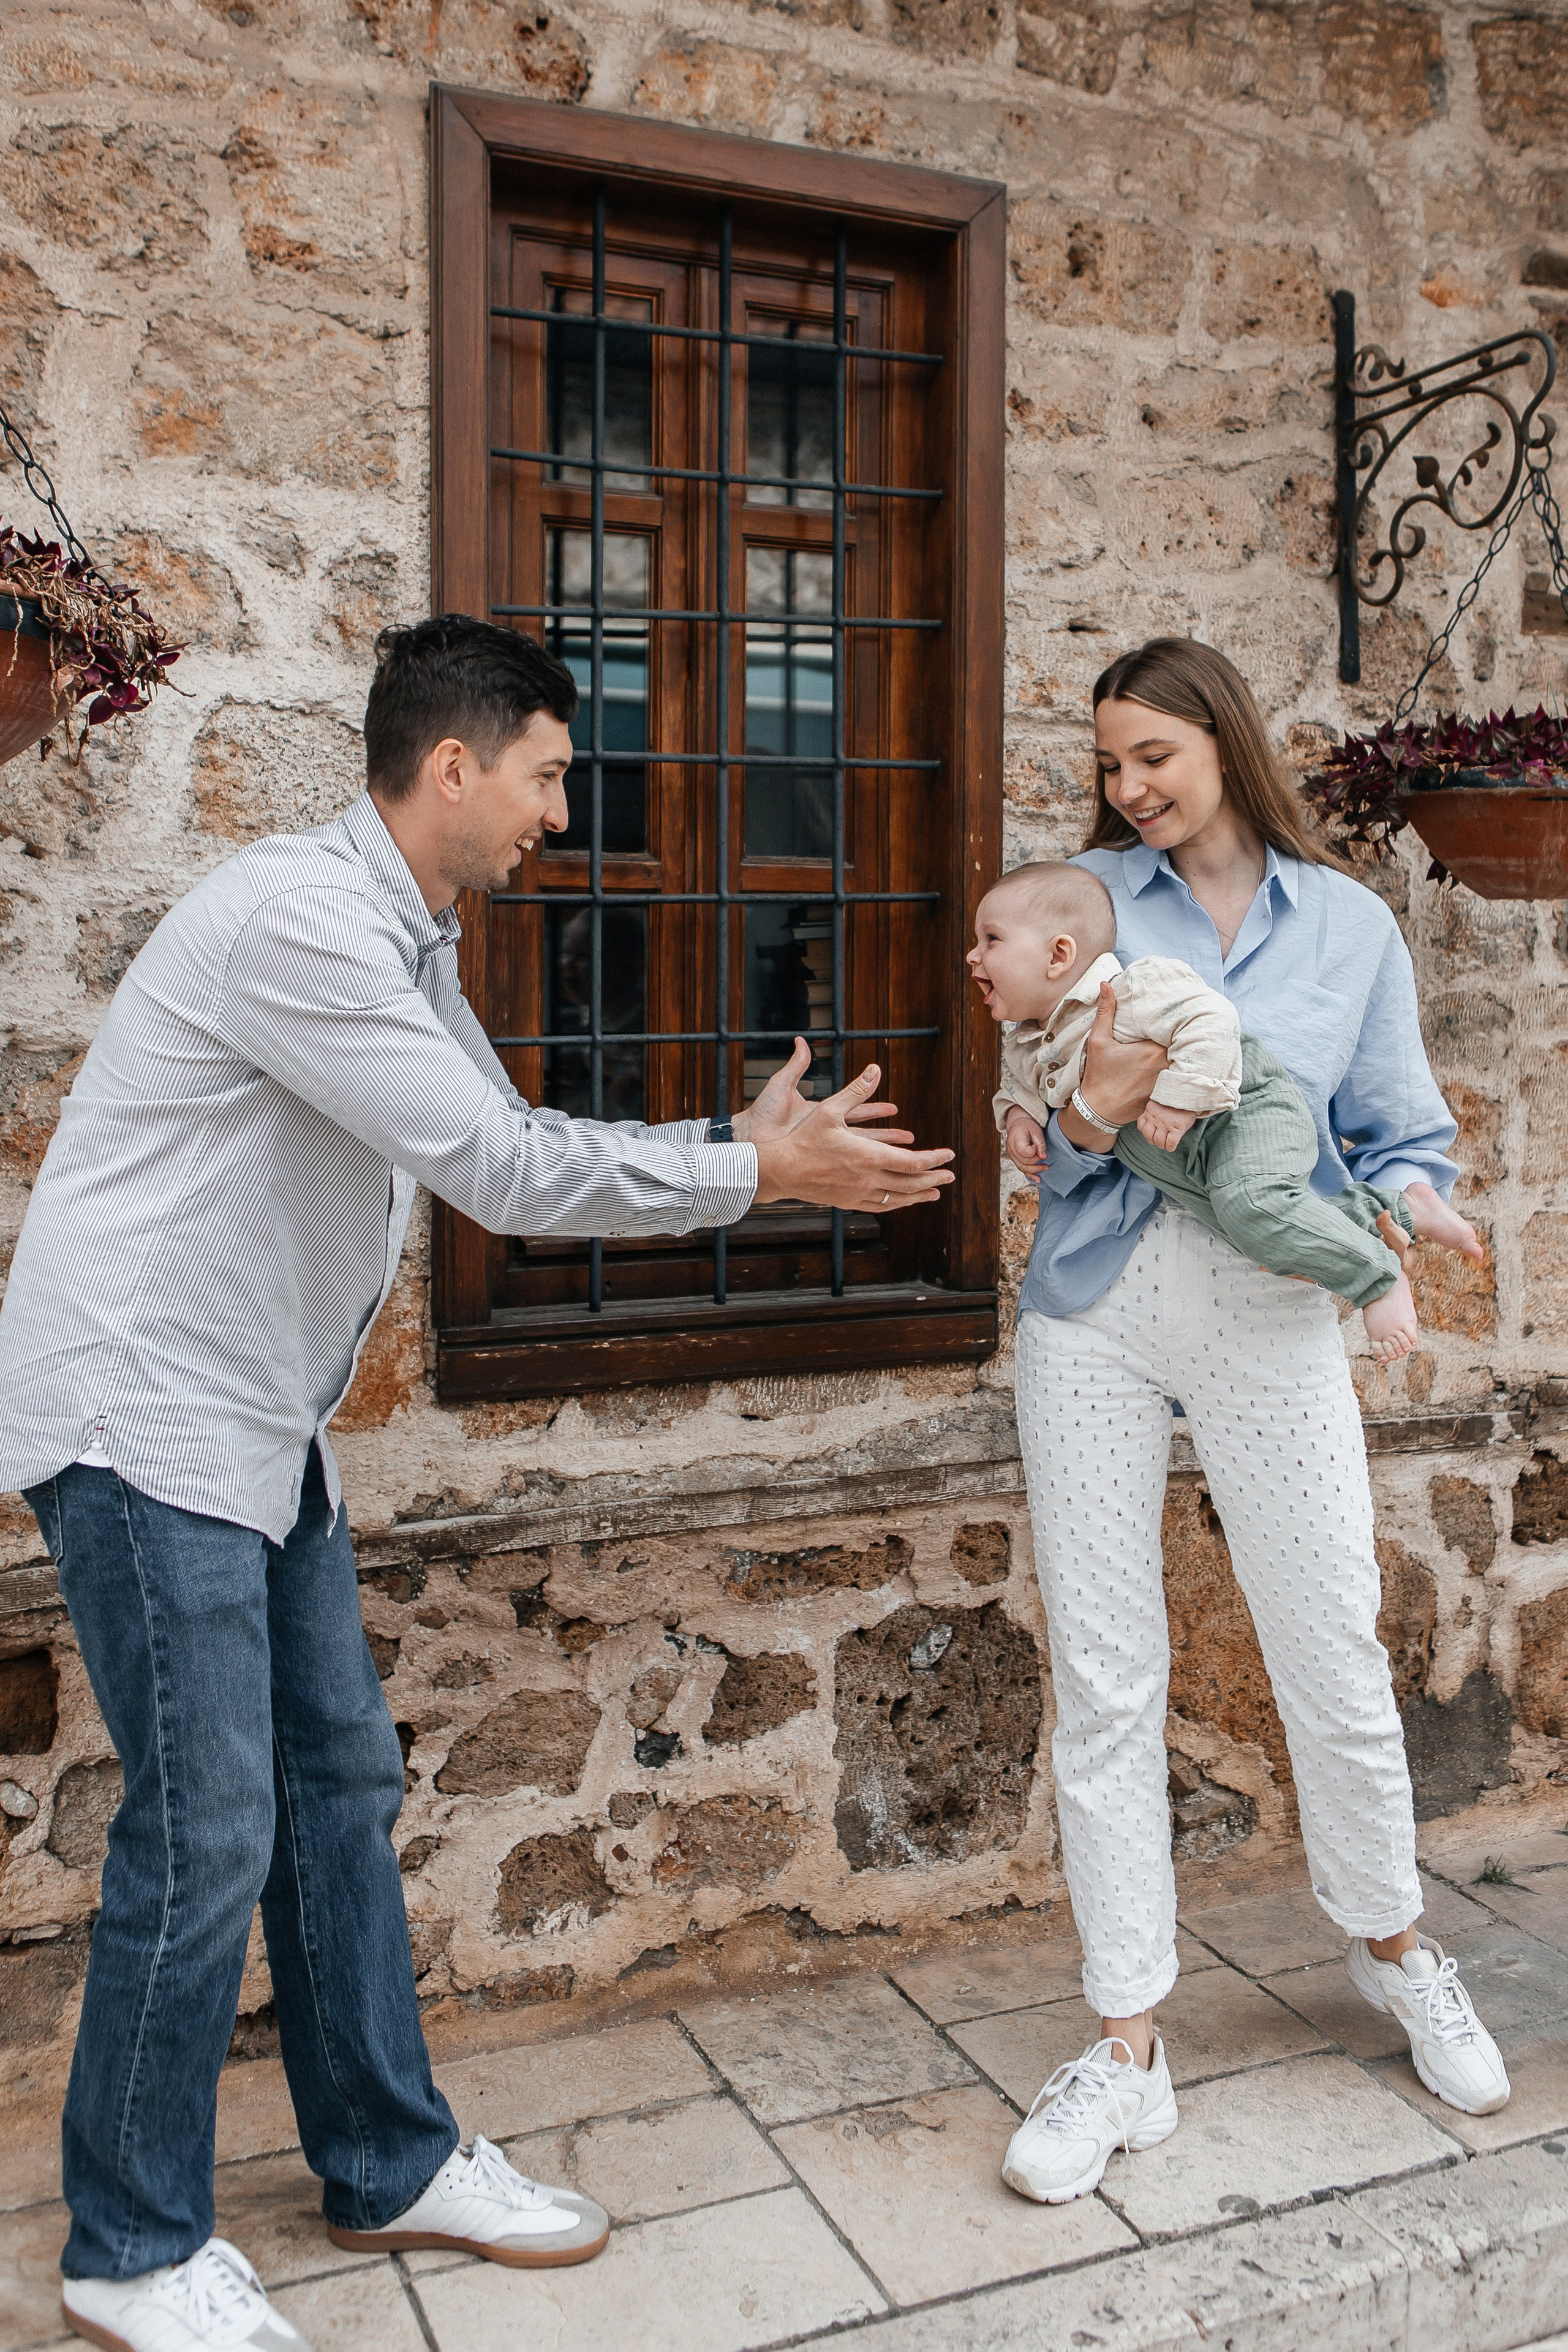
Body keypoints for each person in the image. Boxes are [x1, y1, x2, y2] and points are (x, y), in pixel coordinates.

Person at [0, 613, 954, 2352]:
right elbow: (501, 1174)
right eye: (547, 775)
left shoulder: (404, 933)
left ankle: (384, 2161)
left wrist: (730, 1148)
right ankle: (130, 2249)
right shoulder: (300, 921)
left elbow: (505, 1136)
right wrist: (756, 1174)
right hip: (148, 1417)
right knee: (208, 1827)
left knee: (336, 1782)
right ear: (453, 766)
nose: (561, 815)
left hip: (254, 1420)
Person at [993, 637, 1506, 2212]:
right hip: (1091, 1309)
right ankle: (1124, 2042)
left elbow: (1390, 1127)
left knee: (1327, 1637)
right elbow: (1040, 1129)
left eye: (1150, 754)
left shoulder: (1345, 924)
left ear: (1222, 738)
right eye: (1107, 763)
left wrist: (1411, 1201)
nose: (1127, 787)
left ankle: (1393, 1946)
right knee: (1104, 1669)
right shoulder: (1077, 901)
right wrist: (1084, 1111)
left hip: (1270, 1312)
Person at [977, 857, 1476, 1362]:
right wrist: (1019, 1118)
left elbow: (1212, 1020)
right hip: (1176, 1160)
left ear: (1059, 955)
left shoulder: (1131, 987)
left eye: (990, 940)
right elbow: (1018, 1090)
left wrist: (1179, 1097)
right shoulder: (1027, 1043)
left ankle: (1376, 1279)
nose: (973, 956)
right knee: (1249, 1223)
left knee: (1252, 1207)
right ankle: (1400, 1209)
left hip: (1244, 1110)